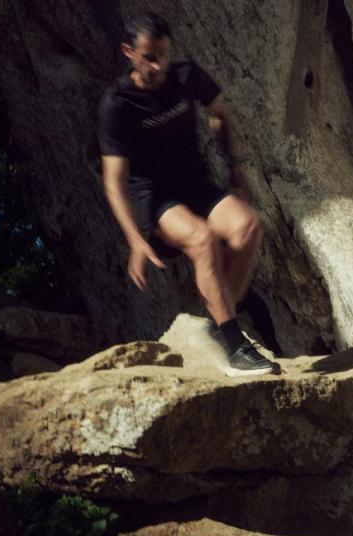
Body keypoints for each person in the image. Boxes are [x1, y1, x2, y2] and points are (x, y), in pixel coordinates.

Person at [97, 11, 280, 376]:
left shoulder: (184, 75)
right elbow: (113, 181)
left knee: (248, 227)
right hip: (155, 198)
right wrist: (134, 240)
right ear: (128, 52)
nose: (158, 65)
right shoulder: (117, 105)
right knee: (203, 239)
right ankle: (234, 348)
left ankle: (220, 317)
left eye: (163, 55)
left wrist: (235, 171)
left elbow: (221, 115)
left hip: (195, 184)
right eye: (149, 56)